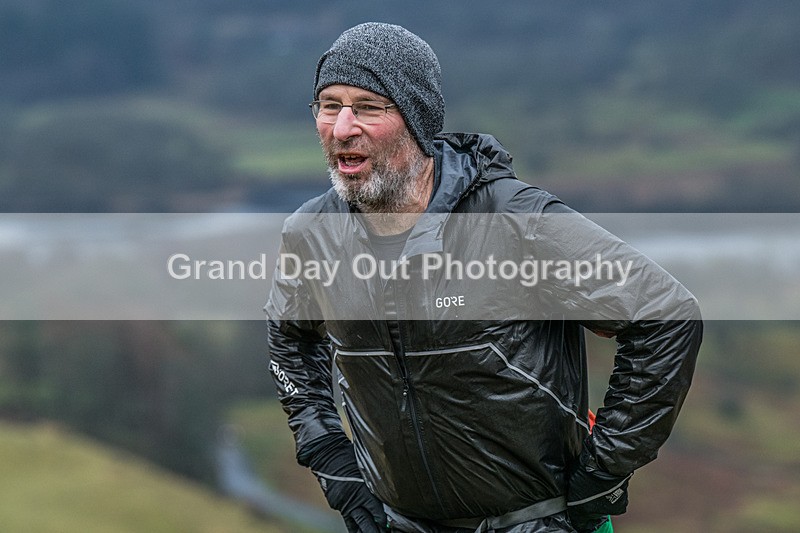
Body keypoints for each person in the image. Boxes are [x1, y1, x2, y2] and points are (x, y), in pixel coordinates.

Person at [266, 22, 702, 533]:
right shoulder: (312, 234)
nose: (342, 128)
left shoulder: (513, 220)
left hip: (536, 522)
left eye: (366, 107)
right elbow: (289, 340)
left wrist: (605, 469)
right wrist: (329, 455)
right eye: (328, 105)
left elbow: (665, 316)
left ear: (415, 120)